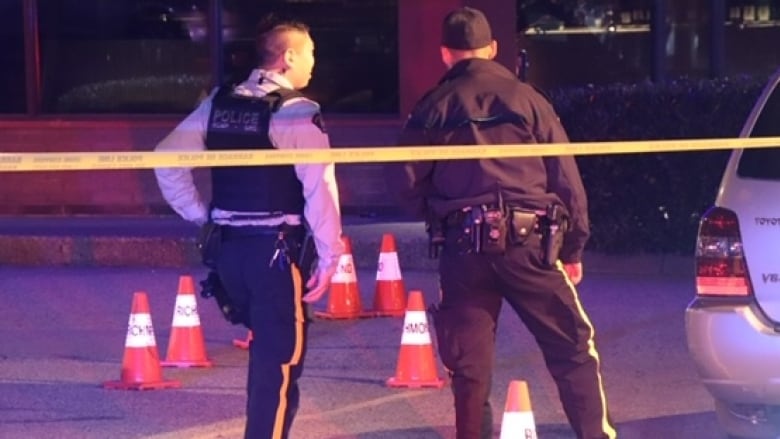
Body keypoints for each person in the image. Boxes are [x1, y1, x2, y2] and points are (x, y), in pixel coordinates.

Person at [388, 6, 617, 439]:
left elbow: (403, 180)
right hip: (531, 245)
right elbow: (566, 178)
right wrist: (573, 248)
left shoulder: (433, 106)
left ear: (445, 54)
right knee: (571, 349)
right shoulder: (529, 100)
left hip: (464, 249)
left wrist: (438, 216)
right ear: (492, 49)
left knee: (469, 368)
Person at [153, 15, 344, 439]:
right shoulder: (297, 113)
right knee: (277, 366)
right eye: (310, 52)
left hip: (229, 254)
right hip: (274, 254)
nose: (314, 62)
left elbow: (165, 159)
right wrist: (330, 255)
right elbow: (320, 190)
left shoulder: (217, 104)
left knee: (267, 358)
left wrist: (201, 215)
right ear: (288, 56)